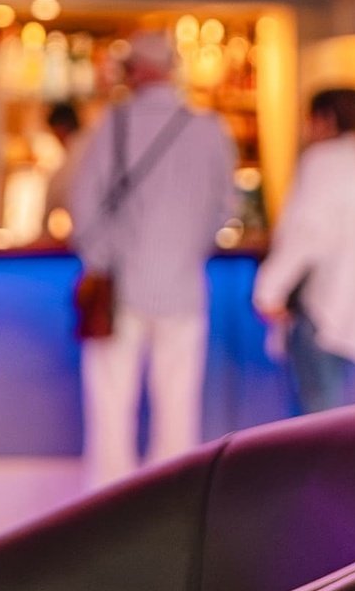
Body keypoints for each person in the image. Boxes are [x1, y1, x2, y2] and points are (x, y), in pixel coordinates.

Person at [63, 40, 237, 488]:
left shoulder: (113, 125)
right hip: (183, 287)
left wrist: (101, 258)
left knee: (109, 404)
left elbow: (83, 204)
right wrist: (189, 249)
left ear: (137, 71)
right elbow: (225, 209)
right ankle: (170, 502)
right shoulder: (210, 129)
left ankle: (106, 506)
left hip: (122, 285)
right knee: (177, 405)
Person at [255, 86, 355, 414]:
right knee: (326, 412)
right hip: (352, 308)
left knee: (315, 419)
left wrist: (268, 290)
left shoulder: (325, 160)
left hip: (319, 310)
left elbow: (307, 233)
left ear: (325, 119)